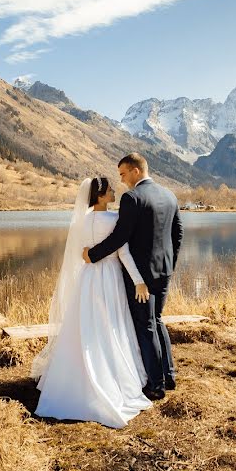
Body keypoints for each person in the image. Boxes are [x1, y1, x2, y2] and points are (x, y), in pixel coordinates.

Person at [31, 177, 152, 428]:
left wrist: (88, 255)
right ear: (100, 195)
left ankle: (72, 376)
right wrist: (139, 281)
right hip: (109, 277)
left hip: (88, 278)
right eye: (109, 190)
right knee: (110, 324)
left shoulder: (83, 220)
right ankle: (111, 377)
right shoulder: (114, 220)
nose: (114, 191)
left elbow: (81, 253)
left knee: (85, 323)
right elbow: (123, 253)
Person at [82, 153, 183, 401]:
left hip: (141, 278)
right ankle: (169, 376)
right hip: (164, 271)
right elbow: (178, 233)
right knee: (157, 320)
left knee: (146, 326)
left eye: (123, 174)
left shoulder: (132, 198)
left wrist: (92, 255)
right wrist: (169, 265)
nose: (122, 180)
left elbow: (120, 238)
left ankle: (156, 385)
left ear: (136, 171)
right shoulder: (169, 194)